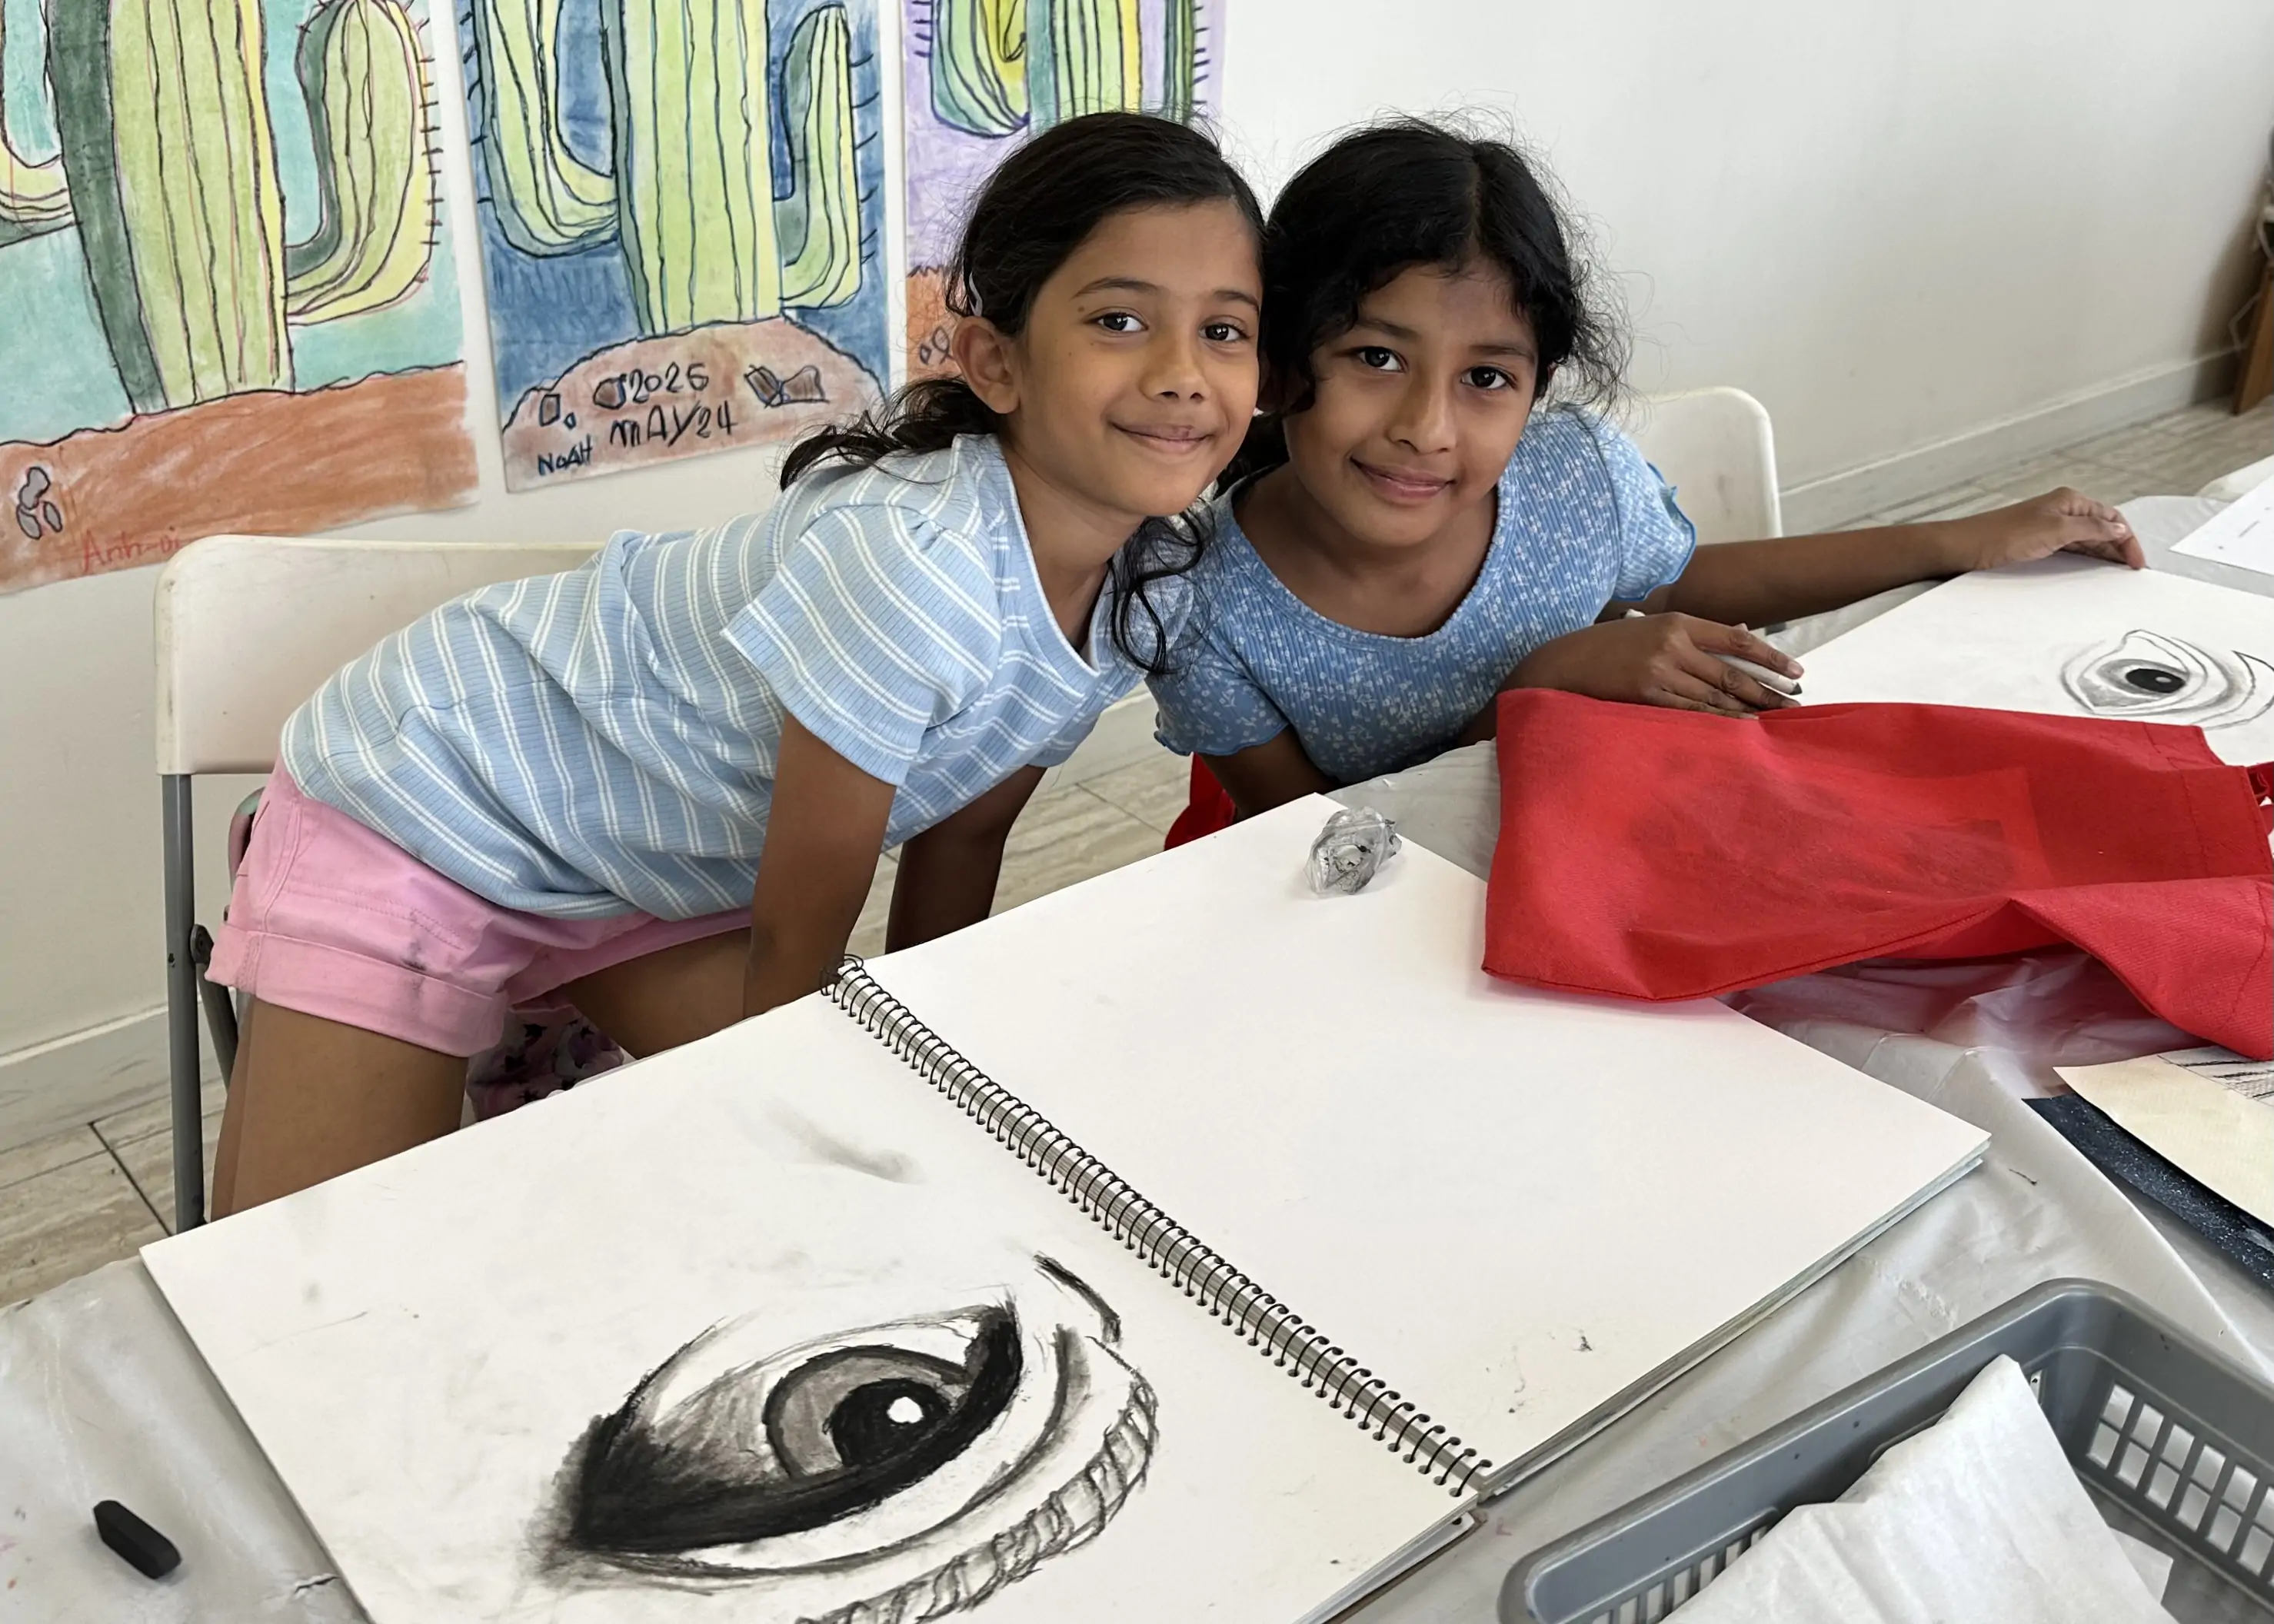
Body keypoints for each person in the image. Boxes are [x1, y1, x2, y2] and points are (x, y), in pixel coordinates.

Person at [208, 112, 1264, 1211]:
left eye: (1226, 332)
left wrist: (929, 1058)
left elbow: (968, 829)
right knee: (297, 1275)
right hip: (434, 802)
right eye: (1120, 319)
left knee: (891, 1135)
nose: (1184, 375)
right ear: (997, 362)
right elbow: (810, 896)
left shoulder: (1154, 575)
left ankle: (529, 1018)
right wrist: (786, 1108)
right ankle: (337, 924)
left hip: (649, 873)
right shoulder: (915, 560)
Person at [1153, 120, 2142, 840]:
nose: (1426, 428)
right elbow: (1316, 845)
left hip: (1585, 846)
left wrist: (1954, 540)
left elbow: (1687, 579)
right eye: (1375, 356)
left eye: (1487, 378)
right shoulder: (1194, 603)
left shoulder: (1573, 482)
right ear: (1280, 363)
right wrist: (1533, 692)